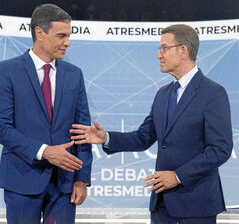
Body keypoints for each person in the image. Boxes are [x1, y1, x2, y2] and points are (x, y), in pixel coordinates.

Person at [70, 24, 233, 224]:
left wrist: (178, 176)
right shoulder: (163, 94)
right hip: (161, 205)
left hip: (196, 204)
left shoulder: (212, 93)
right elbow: (143, 137)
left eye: (164, 48)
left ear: (183, 51)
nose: (158, 55)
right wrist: (106, 138)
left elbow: (220, 149)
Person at [0, 4, 92, 224]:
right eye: (61, 36)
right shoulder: (6, 70)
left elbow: (83, 131)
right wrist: (44, 151)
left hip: (65, 184)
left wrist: (82, 180)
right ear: (40, 33)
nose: (68, 42)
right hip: (22, 181)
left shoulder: (74, 74)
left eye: (69, 36)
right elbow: (1, 129)